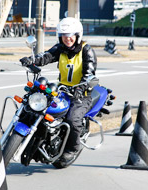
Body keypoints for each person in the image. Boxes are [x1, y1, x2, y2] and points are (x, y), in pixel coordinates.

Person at [20, 17, 97, 163]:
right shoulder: (60, 48)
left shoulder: (87, 50)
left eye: (70, 36)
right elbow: (46, 56)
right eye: (64, 36)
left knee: (72, 119)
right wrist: (32, 60)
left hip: (81, 93)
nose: (67, 39)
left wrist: (81, 87)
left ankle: (72, 149)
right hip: (62, 90)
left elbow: (90, 73)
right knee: (35, 107)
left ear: (77, 35)